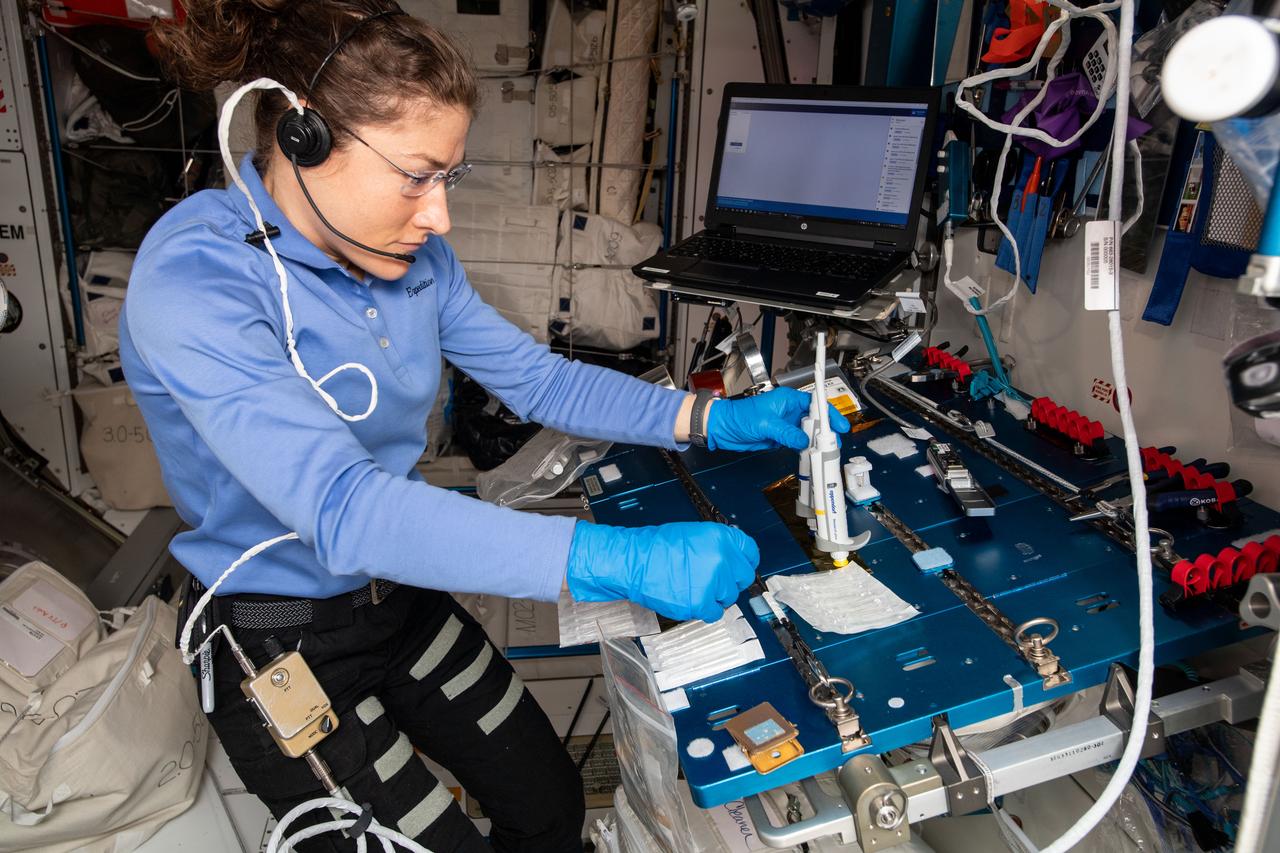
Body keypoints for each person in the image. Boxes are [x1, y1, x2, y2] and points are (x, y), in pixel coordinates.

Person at [120, 1, 849, 850]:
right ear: (306, 140)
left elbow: (535, 379)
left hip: (399, 600)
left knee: (549, 810)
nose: (439, 218)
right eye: (417, 175)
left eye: (449, 179)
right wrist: (612, 559)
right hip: (278, 638)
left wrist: (709, 419)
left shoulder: (409, 257)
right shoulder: (199, 277)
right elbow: (347, 509)